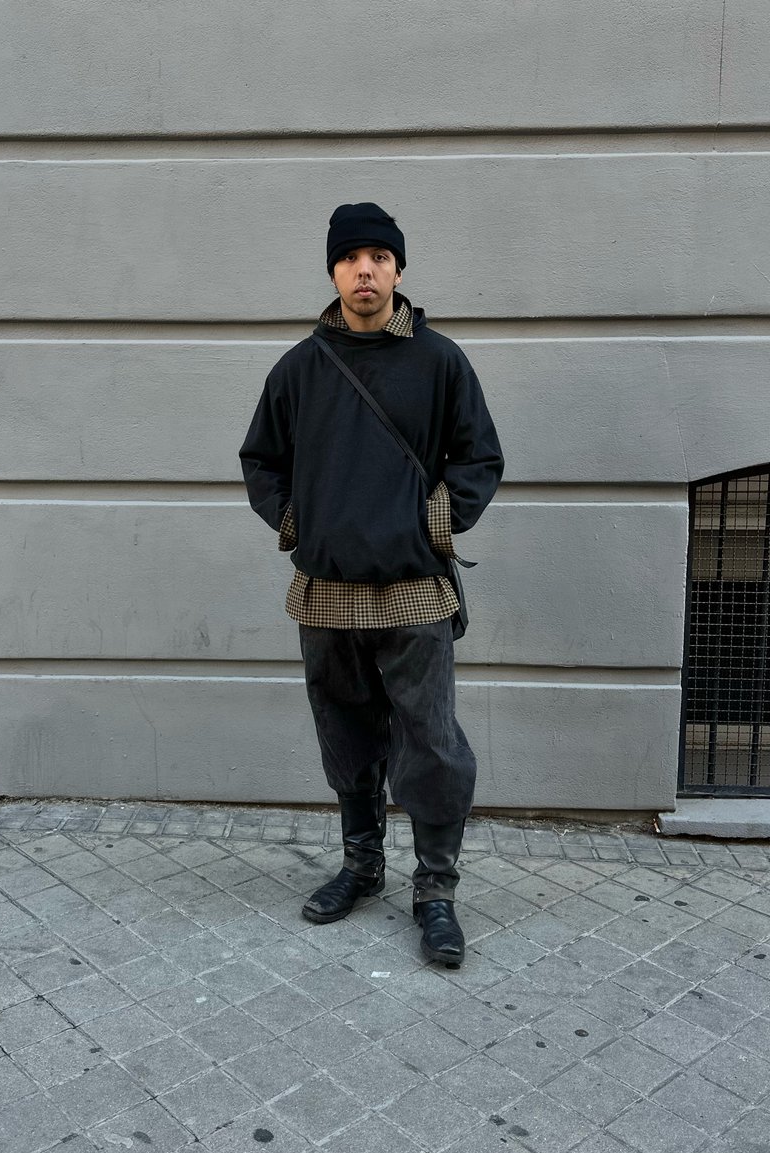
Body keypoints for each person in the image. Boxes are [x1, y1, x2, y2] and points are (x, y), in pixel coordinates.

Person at [240, 202, 503, 966]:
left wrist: (435, 528)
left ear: (398, 269)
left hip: (415, 589)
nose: (365, 269)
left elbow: (479, 456)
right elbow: (261, 460)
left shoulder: (440, 360)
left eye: (379, 257)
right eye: (351, 256)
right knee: (345, 735)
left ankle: (436, 890)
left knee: (431, 745)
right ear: (332, 270)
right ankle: (361, 864)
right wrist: (298, 524)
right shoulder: (298, 368)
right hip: (325, 591)